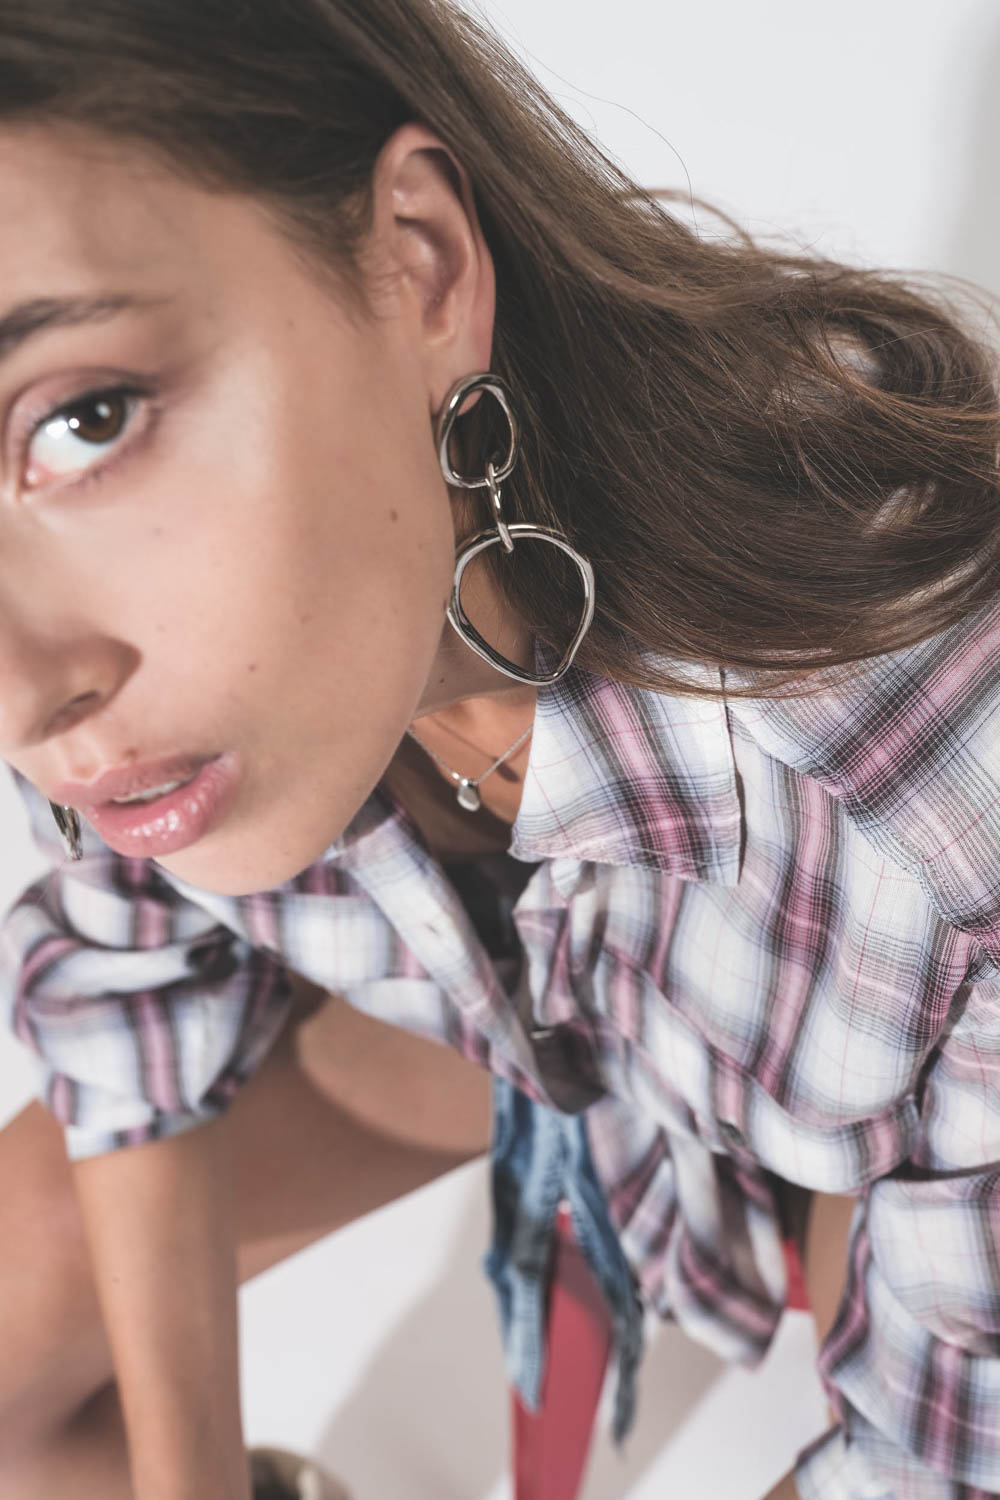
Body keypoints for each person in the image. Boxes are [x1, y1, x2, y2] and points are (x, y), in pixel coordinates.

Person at [0, 2, 998, 1498]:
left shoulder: (927, 818)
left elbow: (938, 1468)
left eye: (86, 419)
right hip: (528, 1023)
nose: (26, 698)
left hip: (854, 1064)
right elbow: (128, 996)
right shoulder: (145, 675)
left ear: (421, 264)